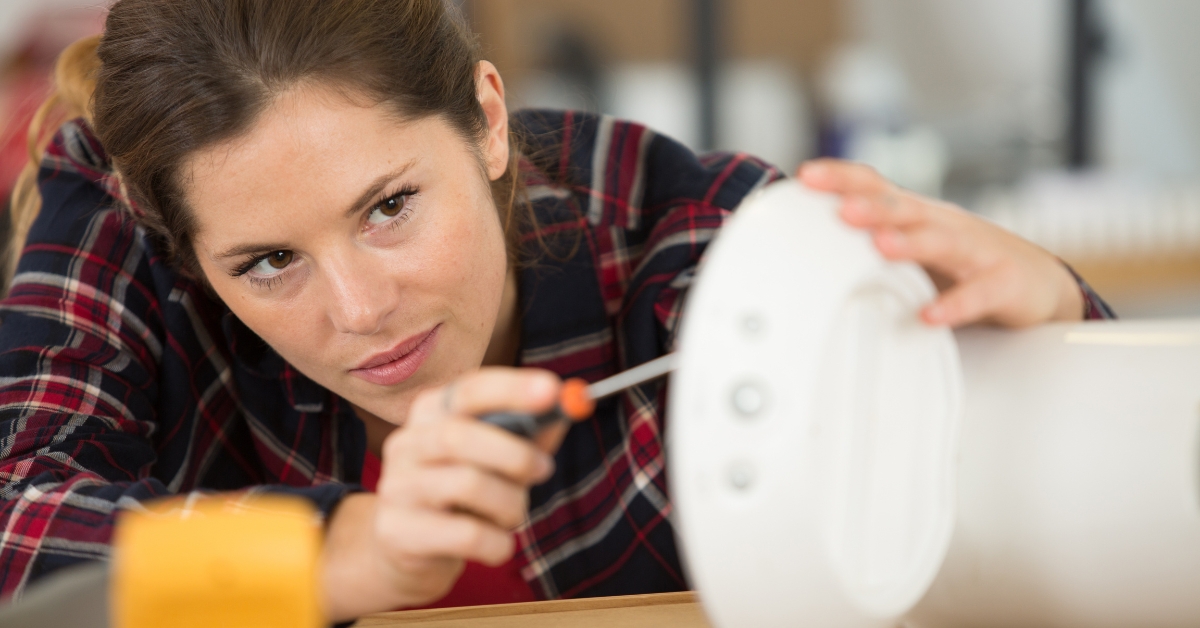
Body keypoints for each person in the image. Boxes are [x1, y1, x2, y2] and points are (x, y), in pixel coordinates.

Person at [0, 0, 1113, 621]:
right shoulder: (137, 203)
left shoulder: (704, 245)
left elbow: (1078, 528)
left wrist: (1063, 334)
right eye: (268, 263)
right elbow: (19, 532)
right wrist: (347, 554)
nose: (361, 308)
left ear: (488, 118)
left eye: (390, 207)